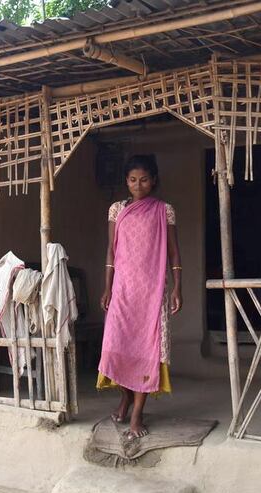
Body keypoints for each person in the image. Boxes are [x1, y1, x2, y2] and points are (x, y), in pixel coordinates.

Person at [97, 154, 182, 440]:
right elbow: (111, 250)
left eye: (144, 180)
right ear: (126, 181)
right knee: (115, 345)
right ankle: (125, 398)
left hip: (152, 290)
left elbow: (173, 252)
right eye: (133, 180)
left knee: (148, 350)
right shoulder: (117, 210)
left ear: (154, 180)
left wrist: (177, 286)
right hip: (122, 289)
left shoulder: (164, 210)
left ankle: (136, 414)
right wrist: (108, 287)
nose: (138, 185)